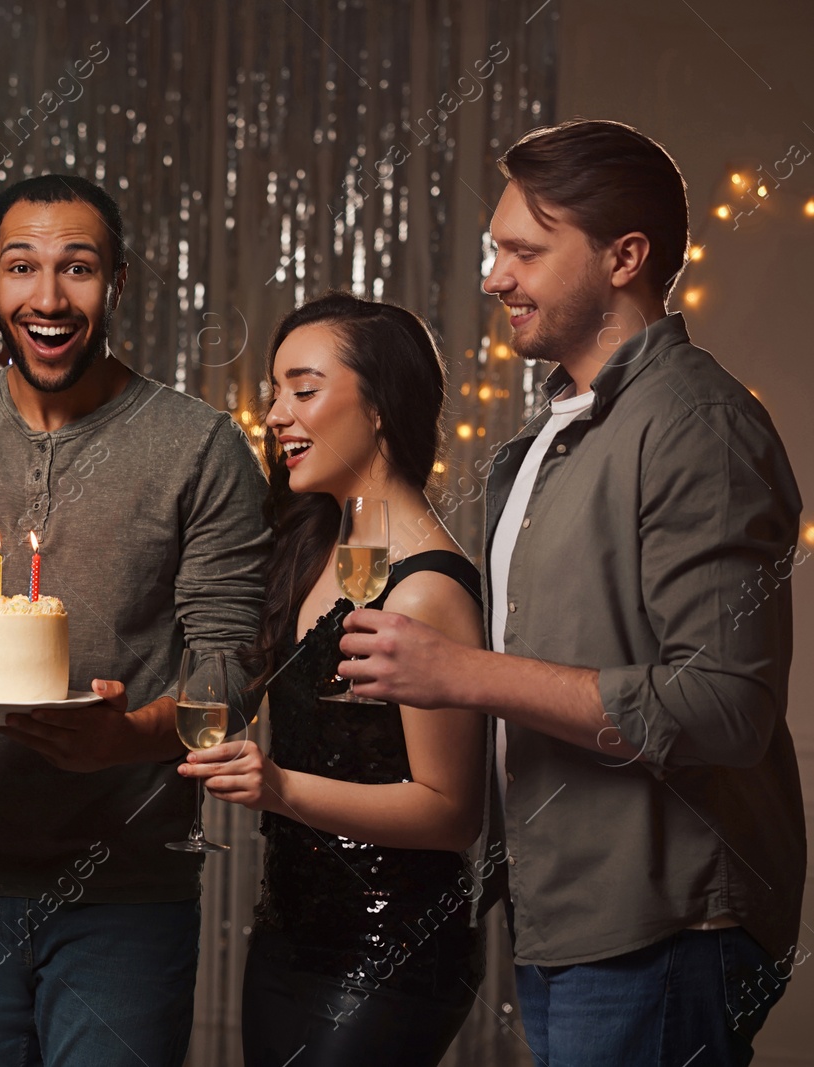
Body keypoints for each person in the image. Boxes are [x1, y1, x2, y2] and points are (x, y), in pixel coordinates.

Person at [338, 119, 805, 1065]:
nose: (493, 277)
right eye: (494, 248)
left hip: (666, 924)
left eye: (525, 251)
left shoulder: (697, 426)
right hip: (572, 914)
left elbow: (723, 707)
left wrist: (462, 673)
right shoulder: (560, 430)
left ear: (625, 256)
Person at [0, 174, 270, 1066]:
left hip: (128, 888)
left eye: (77, 268)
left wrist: (126, 737)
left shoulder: (200, 444)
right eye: (21, 267)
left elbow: (231, 665)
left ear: (118, 282)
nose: (48, 297)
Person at [181, 292, 490, 1066]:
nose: (278, 415)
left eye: (304, 389)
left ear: (380, 403)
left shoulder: (427, 588)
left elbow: (452, 812)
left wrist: (278, 787)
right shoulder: (317, 544)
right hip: (287, 932)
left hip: (393, 945)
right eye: (275, 393)